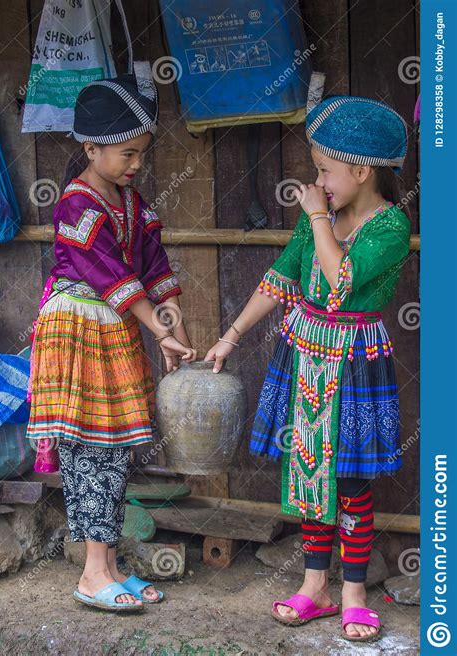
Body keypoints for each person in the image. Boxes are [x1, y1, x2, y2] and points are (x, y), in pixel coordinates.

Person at [205, 95, 411, 642]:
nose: (315, 180)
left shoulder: (389, 228)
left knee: (351, 484)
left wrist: (318, 215)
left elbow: (340, 282)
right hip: (304, 358)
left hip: (355, 366)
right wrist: (231, 335)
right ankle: (315, 586)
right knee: (309, 475)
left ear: (361, 171)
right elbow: (283, 277)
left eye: (324, 169)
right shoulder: (319, 219)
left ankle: (354, 593)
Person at [26, 70, 196, 612]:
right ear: (91, 147)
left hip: (117, 329)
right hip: (78, 331)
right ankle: (92, 574)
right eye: (127, 154)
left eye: (142, 153)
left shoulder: (134, 202)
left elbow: (155, 271)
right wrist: (158, 327)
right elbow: (111, 277)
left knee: (118, 450)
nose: (137, 165)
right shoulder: (76, 205)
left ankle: (111, 566)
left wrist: (178, 337)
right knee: (92, 448)